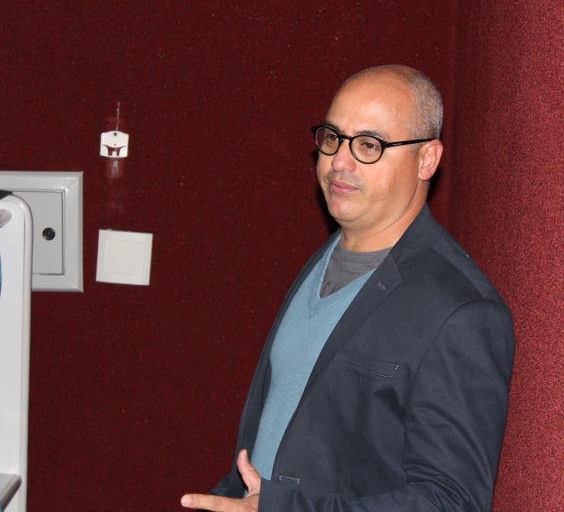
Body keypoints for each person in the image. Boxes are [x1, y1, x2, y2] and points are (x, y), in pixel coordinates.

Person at [181, 65, 515, 512]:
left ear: (427, 160)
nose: (340, 161)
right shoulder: (329, 253)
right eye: (333, 138)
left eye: (369, 145)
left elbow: (450, 502)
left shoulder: (462, 312)